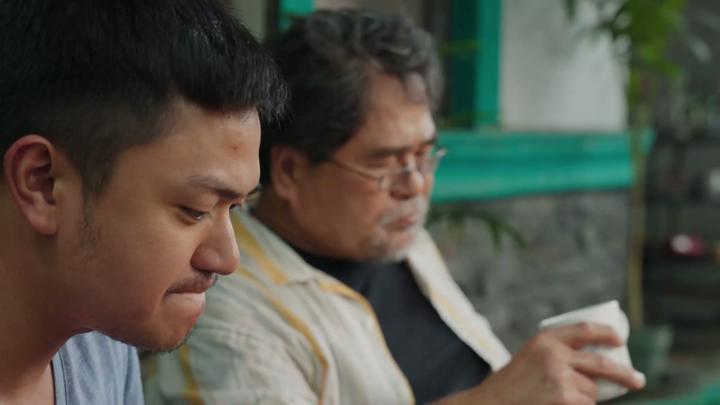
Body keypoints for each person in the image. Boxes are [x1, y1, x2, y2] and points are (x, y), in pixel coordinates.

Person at [143, 8, 645, 405]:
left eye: (424, 155)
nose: (415, 185)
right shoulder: (228, 320)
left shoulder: (400, 243)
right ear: (291, 171)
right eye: (384, 163)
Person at [0, 0, 286, 404]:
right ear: (42, 183)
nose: (226, 259)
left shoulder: (100, 339)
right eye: (196, 210)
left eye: (235, 208)